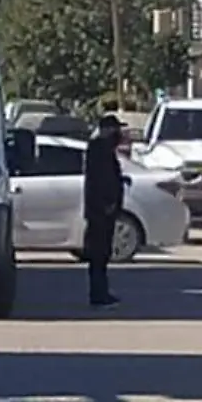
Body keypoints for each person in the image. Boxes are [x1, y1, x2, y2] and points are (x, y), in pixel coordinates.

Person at [83, 115, 129, 308]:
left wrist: (121, 181)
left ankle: (101, 291)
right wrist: (108, 202)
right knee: (99, 253)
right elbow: (101, 180)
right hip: (100, 210)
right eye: (115, 129)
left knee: (102, 254)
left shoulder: (103, 150)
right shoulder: (98, 149)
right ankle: (98, 295)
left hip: (102, 209)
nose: (118, 133)